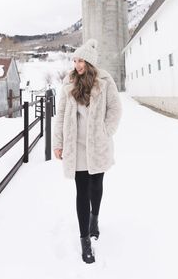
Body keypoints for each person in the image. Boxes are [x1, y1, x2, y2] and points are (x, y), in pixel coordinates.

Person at [53, 38, 122, 264]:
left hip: (98, 144)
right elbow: (61, 114)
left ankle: (94, 219)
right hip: (76, 146)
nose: (77, 64)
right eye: (74, 60)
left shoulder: (105, 81)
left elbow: (115, 109)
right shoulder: (68, 82)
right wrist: (58, 142)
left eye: (80, 60)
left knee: (96, 185)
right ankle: (85, 240)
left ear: (89, 62)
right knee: (81, 191)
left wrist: (105, 130)